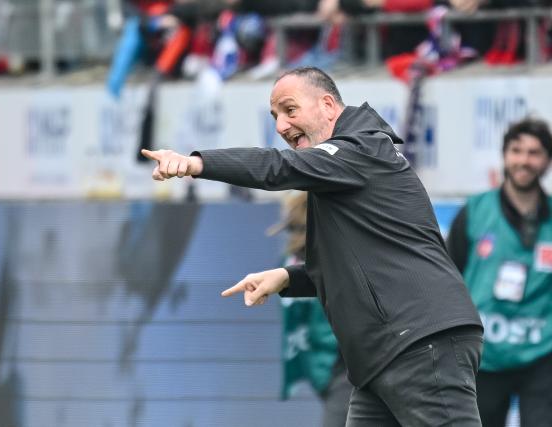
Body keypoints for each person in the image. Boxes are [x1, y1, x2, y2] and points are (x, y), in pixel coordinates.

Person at [141, 66, 483, 426]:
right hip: (385, 355)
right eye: (274, 116)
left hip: (420, 343)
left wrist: (197, 163)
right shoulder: (345, 167)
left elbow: (277, 167)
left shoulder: (362, 148)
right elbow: (357, 266)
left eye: (290, 110)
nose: (280, 126)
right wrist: (288, 278)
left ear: (328, 105)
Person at [446, 118, 552, 427]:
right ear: (504, 155)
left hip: (543, 353)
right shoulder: (475, 212)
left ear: (546, 160)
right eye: (516, 150)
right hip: (484, 355)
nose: (524, 160)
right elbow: (449, 277)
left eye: (535, 153)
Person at [271, 192, 350, 427]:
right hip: (328, 368)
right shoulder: (288, 266)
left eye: (300, 227)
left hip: (347, 368)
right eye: (293, 228)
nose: (294, 236)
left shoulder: (338, 255)